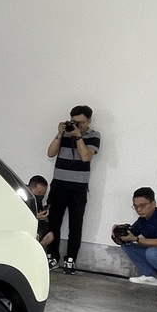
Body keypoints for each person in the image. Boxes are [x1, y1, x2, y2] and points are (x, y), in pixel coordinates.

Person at [45, 105, 101, 274]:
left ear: (89, 121)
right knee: (53, 222)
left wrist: (78, 137)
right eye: (74, 121)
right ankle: (52, 256)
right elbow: (50, 153)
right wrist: (59, 134)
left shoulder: (94, 136)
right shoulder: (65, 133)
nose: (77, 125)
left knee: (75, 224)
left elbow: (85, 157)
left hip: (78, 187)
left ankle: (71, 259)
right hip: (59, 184)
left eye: (81, 122)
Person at [28, 175, 53, 250]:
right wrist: (35, 217)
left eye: (43, 194)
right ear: (29, 188)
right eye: (38, 193)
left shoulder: (38, 201)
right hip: (22, 228)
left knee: (49, 236)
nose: (41, 196)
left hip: (36, 228)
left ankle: (35, 251)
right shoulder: (20, 198)